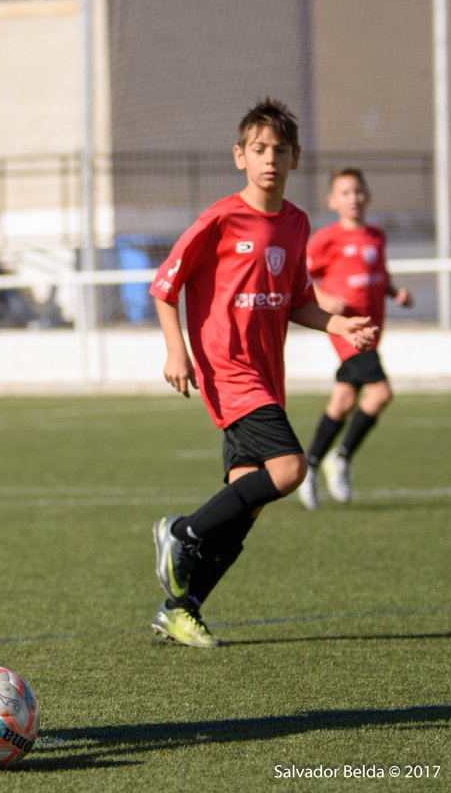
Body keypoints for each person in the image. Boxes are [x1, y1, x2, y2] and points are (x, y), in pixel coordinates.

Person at [147, 98, 378, 648]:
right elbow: (164, 284)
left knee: (244, 505)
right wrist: (175, 351)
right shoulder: (221, 218)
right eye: (258, 149)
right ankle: (180, 532)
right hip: (228, 370)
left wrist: (338, 324)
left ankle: (182, 608)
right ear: (239, 157)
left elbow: (297, 300)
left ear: (295, 157)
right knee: (291, 468)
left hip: (266, 376)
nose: (269, 158)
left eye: (279, 149)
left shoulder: (296, 223)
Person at [297, 168, 414, 510]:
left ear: (368, 196)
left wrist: (396, 293)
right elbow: (299, 277)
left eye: (358, 192)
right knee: (380, 393)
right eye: (345, 193)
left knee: (343, 401)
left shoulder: (376, 236)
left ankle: (312, 465)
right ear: (333, 201)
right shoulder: (326, 238)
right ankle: (342, 457)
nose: (353, 198)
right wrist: (321, 298)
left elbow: (380, 274)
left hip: (373, 330)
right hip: (348, 330)